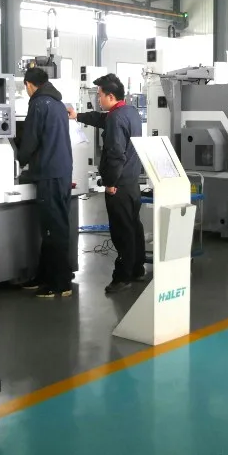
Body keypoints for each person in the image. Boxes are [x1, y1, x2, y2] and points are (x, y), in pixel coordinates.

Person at [67, 73, 144, 295]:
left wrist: (110, 183)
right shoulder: (129, 112)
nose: (98, 99)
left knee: (121, 232)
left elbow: (116, 155)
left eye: (100, 95)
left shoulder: (116, 119)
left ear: (110, 96)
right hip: (132, 183)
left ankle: (122, 277)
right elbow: (103, 120)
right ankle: (137, 268)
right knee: (133, 226)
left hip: (118, 185)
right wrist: (78, 116)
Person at [17, 67, 74, 298]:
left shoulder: (39, 104)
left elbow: (30, 139)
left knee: (53, 229)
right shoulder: (57, 103)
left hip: (49, 173)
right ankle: (45, 275)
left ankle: (60, 283)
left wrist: (18, 160)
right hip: (62, 171)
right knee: (55, 226)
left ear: (29, 84)